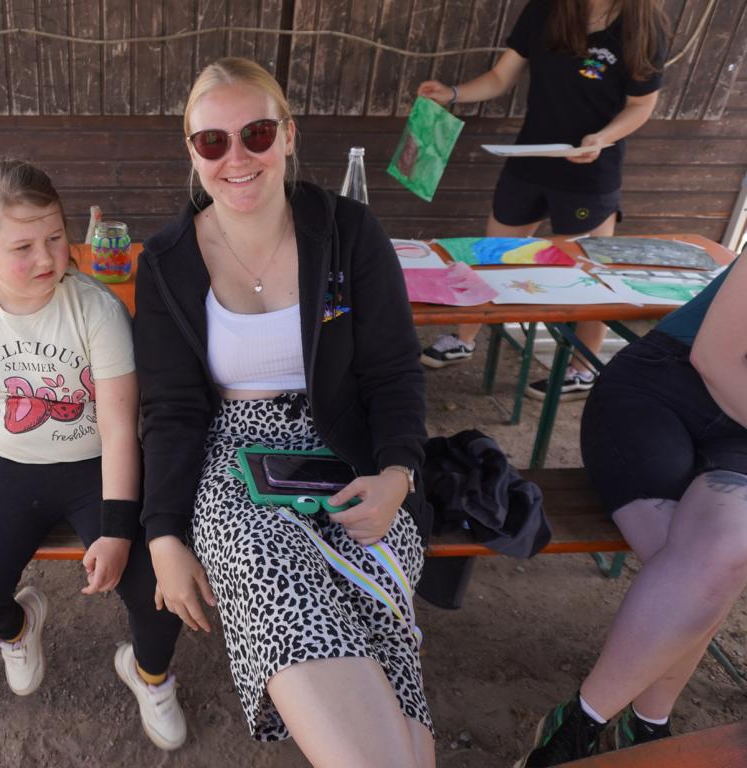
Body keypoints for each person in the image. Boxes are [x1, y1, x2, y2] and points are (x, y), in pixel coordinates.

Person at [133, 58, 434, 767]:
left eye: (257, 133)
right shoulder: (167, 260)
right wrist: (164, 534)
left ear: (289, 135)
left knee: (377, 625)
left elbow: (394, 373)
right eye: (213, 141)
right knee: (278, 586)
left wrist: (398, 477)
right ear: (192, 152)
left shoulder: (348, 231)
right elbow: (171, 411)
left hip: (352, 455)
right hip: (232, 463)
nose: (236, 157)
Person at [0, 158, 185, 751]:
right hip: (8, 466)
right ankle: (19, 625)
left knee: (156, 587)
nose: (48, 258)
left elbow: (119, 429)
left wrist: (116, 530)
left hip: (97, 465)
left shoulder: (95, 308)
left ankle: (150, 674)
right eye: (23, 246)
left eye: (55, 237)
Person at [515, 254, 747, 767]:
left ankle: (583, 721)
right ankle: (643, 725)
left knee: (723, 554)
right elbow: (714, 356)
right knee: (695, 569)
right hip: (663, 386)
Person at [417, 0, 667, 402]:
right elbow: (500, 77)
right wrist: (453, 94)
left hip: (591, 170)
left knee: (588, 276)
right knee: (490, 256)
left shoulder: (645, 26)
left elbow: (641, 105)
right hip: (528, 160)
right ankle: (464, 339)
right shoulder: (546, 9)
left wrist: (603, 138)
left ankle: (582, 369)